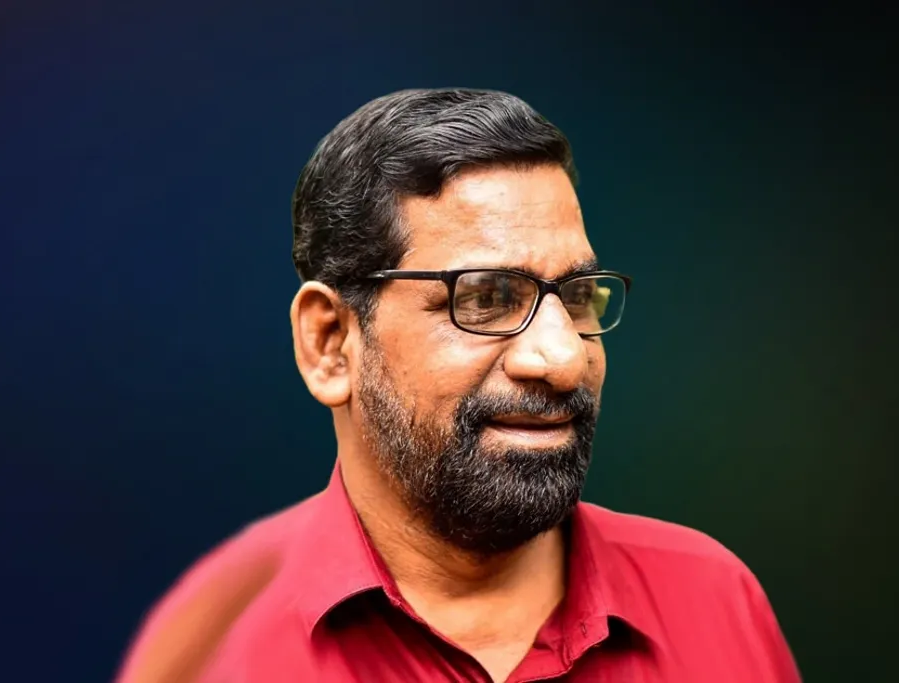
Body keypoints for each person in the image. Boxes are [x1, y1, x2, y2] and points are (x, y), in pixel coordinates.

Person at [116, 88, 801, 682]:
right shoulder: (216, 643)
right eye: (487, 297)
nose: (563, 358)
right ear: (330, 343)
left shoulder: (711, 601)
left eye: (578, 296)